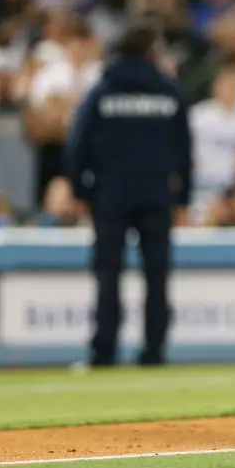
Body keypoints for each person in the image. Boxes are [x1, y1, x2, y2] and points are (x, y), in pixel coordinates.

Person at [65, 22, 192, 368]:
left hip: (111, 193)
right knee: (157, 275)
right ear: (151, 52)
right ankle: (154, 352)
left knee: (108, 275)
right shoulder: (169, 92)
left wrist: (82, 191)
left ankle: (103, 352)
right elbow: (184, 150)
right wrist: (183, 200)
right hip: (156, 193)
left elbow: (78, 145)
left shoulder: (102, 91)